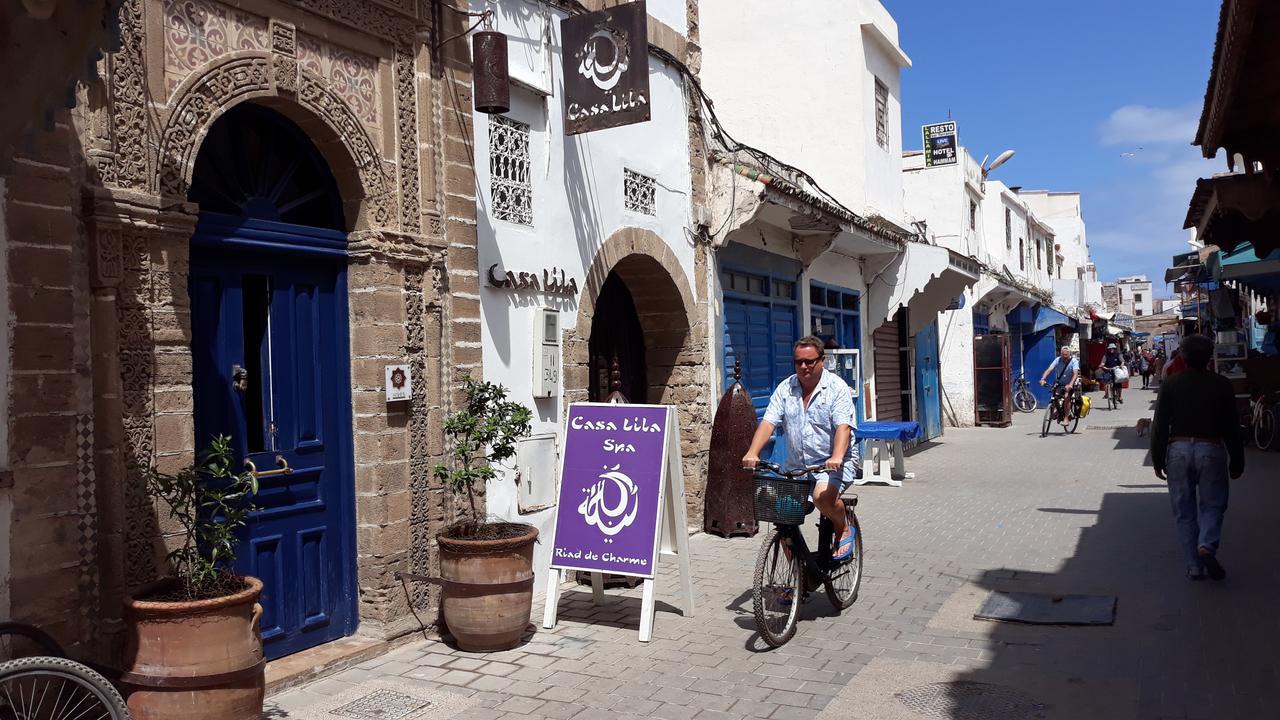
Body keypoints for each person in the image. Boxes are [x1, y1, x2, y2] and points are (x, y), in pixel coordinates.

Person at [742, 336, 859, 560]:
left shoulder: (836, 388)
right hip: (798, 467)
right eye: (798, 362)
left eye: (810, 361)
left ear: (822, 361)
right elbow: (768, 422)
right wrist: (752, 452)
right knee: (782, 514)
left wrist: (836, 456)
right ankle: (797, 577)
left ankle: (843, 527)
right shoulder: (786, 388)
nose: (804, 366)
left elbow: (843, 427)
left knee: (821, 497)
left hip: (833, 465)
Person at [1150, 334, 1244, 581]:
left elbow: (1159, 425)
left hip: (1178, 450)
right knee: (1213, 504)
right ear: (1209, 357)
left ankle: (1193, 566)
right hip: (1211, 449)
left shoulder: (1171, 385)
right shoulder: (1221, 384)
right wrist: (1237, 459)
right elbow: (1231, 426)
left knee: (1184, 510)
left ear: (1183, 356)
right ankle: (1207, 544)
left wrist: (1157, 459)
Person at [1039, 345, 1080, 422]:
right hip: (1061, 383)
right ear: (1060, 354)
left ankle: (1066, 417)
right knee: (1055, 394)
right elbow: (1049, 369)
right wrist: (1043, 379)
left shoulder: (1074, 361)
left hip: (1072, 383)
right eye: (1063, 355)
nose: (1064, 357)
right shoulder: (1057, 360)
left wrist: (1071, 384)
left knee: (1067, 397)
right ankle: (1057, 410)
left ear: (1069, 354)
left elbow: (1075, 374)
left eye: (1066, 355)